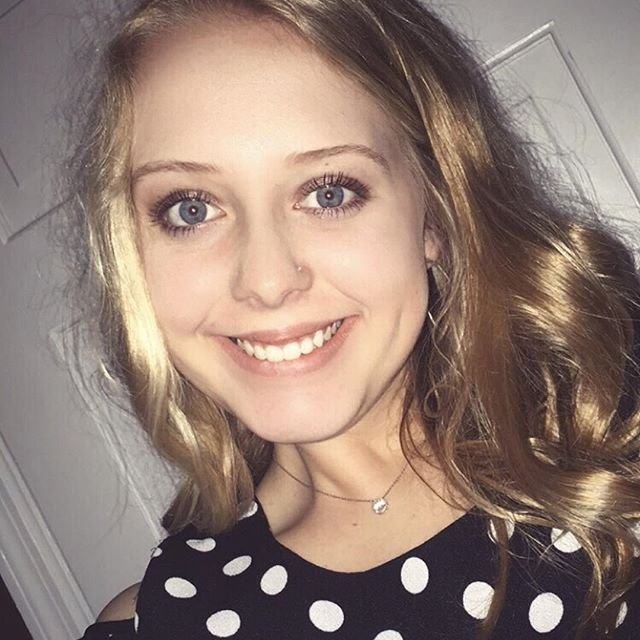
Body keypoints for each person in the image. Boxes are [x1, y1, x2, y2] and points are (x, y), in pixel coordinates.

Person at [72, 0, 640, 638]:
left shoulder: (615, 430)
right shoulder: (165, 622)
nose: (266, 281)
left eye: (329, 192)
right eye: (191, 209)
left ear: (434, 214)